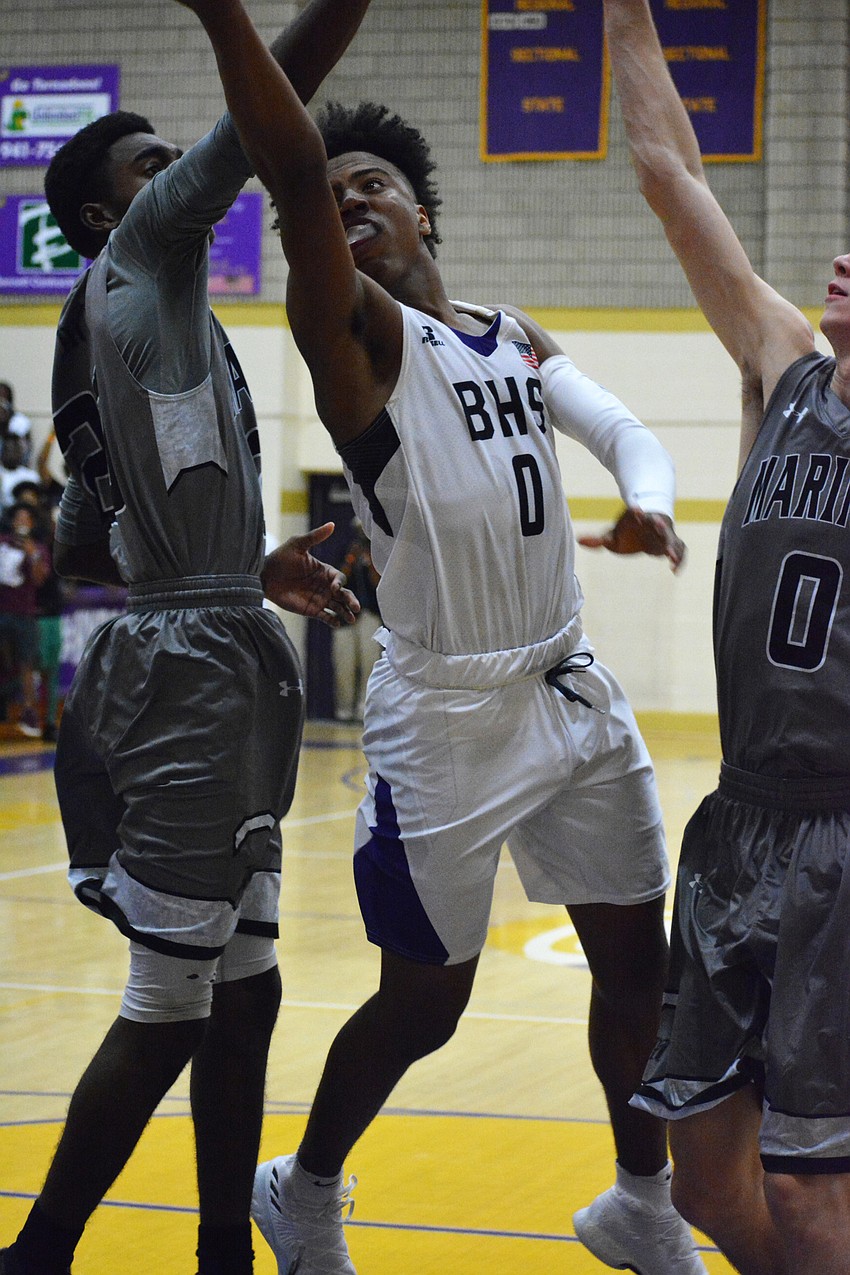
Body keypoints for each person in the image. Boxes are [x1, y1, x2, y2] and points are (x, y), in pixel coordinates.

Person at [175, 5, 710, 1274]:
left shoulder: (510, 333)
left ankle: (641, 1201)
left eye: (381, 186)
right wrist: (232, 25)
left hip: (570, 692)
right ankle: (302, 1188)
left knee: (644, 968)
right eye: (336, 188)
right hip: (447, 721)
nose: (352, 196)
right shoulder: (356, 341)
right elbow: (294, 171)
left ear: (430, 221)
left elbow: (623, 424)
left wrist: (646, 501)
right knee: (427, 1004)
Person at [0, 3, 372, 1273]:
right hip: (189, 669)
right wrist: (234, 19)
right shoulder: (145, 255)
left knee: (250, 981)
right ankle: (38, 1251)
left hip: (213, 630)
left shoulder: (112, 326)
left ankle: (222, 1246)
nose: (175, 173)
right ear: (109, 212)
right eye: (147, 163)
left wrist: (233, 562)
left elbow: (105, 536)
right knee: (170, 1000)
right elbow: (274, 107)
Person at [600, 3, 850, 1273]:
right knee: (706, 1183)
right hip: (740, 818)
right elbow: (669, 175)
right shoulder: (782, 363)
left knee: (813, 1199)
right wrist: (628, 17)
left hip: (842, 837)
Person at [0, 500, 49, 738]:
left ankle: (29, 713)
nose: (21, 522)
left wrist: (33, 555)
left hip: (24, 614)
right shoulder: (2, 544)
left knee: (26, 664)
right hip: (2, 611)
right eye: (17, 518)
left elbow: (41, 581)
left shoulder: (37, 548)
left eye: (25, 518)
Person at [333, 519, 381, 721]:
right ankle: (344, 710)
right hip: (346, 616)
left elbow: (379, 583)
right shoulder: (347, 550)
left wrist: (370, 562)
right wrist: (351, 560)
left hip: (369, 613)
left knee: (369, 663)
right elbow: (338, 578)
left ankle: (364, 709)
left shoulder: (379, 553)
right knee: (344, 663)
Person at [0, 382, 33, 463]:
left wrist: (6, 419)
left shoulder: (21, 421)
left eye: (4, 397)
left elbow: (26, 447)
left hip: (16, 465)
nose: (2, 401)